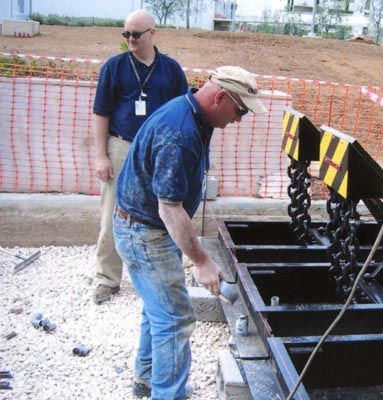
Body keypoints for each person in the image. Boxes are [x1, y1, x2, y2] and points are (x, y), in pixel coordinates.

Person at [112, 66, 267, 399]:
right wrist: (201, 260)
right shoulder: (180, 133)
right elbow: (169, 208)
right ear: (220, 97)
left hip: (145, 224)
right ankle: (168, 394)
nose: (239, 119)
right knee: (174, 318)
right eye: (239, 111)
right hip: (144, 230)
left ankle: (147, 378)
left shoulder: (194, 114)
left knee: (158, 306)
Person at [92, 9, 188, 305]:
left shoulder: (171, 70)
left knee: (164, 210)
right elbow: (100, 113)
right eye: (126, 34)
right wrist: (101, 156)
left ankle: (160, 275)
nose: (130, 39)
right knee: (111, 214)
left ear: (152, 33)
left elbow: (181, 112)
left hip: (157, 151)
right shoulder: (115, 67)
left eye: (136, 34)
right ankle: (107, 279)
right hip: (120, 146)